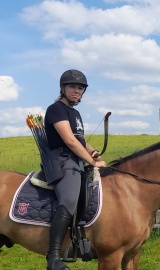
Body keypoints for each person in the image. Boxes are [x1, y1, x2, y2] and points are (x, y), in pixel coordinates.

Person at [44, 69, 106, 270]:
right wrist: (91, 161)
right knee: (70, 199)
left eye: (80, 88)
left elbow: (80, 140)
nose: (77, 90)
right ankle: (53, 257)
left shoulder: (75, 113)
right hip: (61, 162)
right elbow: (69, 140)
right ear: (62, 88)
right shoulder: (56, 109)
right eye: (72, 86)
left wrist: (93, 152)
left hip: (76, 162)